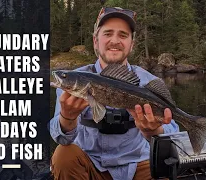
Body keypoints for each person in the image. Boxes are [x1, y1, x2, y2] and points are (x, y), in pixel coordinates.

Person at [49, 7, 179, 180]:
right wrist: (67, 118)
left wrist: (155, 131)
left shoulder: (149, 82)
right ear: (96, 41)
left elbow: (174, 134)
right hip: (90, 163)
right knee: (63, 155)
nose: (115, 41)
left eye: (123, 35)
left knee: (164, 163)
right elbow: (62, 139)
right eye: (108, 33)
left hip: (138, 163)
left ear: (131, 44)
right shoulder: (71, 83)